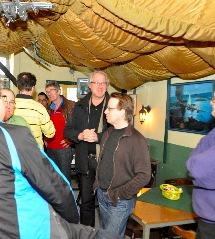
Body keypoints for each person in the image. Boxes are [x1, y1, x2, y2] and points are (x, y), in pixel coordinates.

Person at [0, 74, 122, 239]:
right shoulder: (13, 135)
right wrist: (70, 221)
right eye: (2, 98)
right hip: (28, 228)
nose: (7, 104)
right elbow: (54, 185)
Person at [93, 92, 151, 237]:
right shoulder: (107, 134)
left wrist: (120, 194)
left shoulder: (137, 140)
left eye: (110, 108)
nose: (105, 111)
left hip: (119, 200)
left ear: (122, 112)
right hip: (102, 194)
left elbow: (144, 175)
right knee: (106, 233)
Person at [64, 71, 110, 227]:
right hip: (85, 162)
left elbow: (120, 132)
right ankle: (87, 234)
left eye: (103, 83)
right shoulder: (80, 106)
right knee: (86, 203)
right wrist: (81, 135)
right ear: (90, 86)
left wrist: (99, 137)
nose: (100, 86)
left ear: (107, 86)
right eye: (96, 83)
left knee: (108, 204)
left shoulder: (113, 106)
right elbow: (67, 131)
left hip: (106, 164)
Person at [186, 82, 215, 239]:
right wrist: (196, 160)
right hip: (209, 222)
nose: (211, 102)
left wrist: (195, 161)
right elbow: (196, 154)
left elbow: (197, 169)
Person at [14, 72, 55, 149]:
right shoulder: (40, 108)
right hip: (35, 153)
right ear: (33, 88)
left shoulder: (10, 105)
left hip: (15, 152)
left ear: (18, 87)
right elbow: (50, 133)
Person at [45, 80, 75, 183]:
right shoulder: (48, 109)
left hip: (64, 150)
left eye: (52, 90)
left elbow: (78, 126)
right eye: (47, 91)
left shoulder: (71, 106)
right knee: (52, 180)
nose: (49, 93)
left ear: (59, 91)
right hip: (50, 149)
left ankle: (67, 199)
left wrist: (71, 141)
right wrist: (45, 139)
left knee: (64, 180)